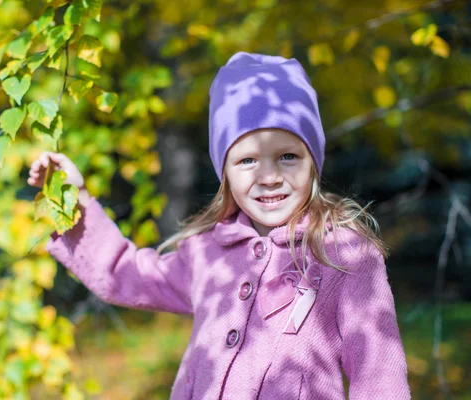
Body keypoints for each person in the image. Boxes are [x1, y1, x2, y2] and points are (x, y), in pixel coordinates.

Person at [28, 52, 411, 399]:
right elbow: (125, 275)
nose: (269, 176)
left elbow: (379, 377)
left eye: (288, 156)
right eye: (247, 160)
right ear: (224, 172)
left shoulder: (344, 253)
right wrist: (73, 203)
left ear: (313, 162)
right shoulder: (208, 251)